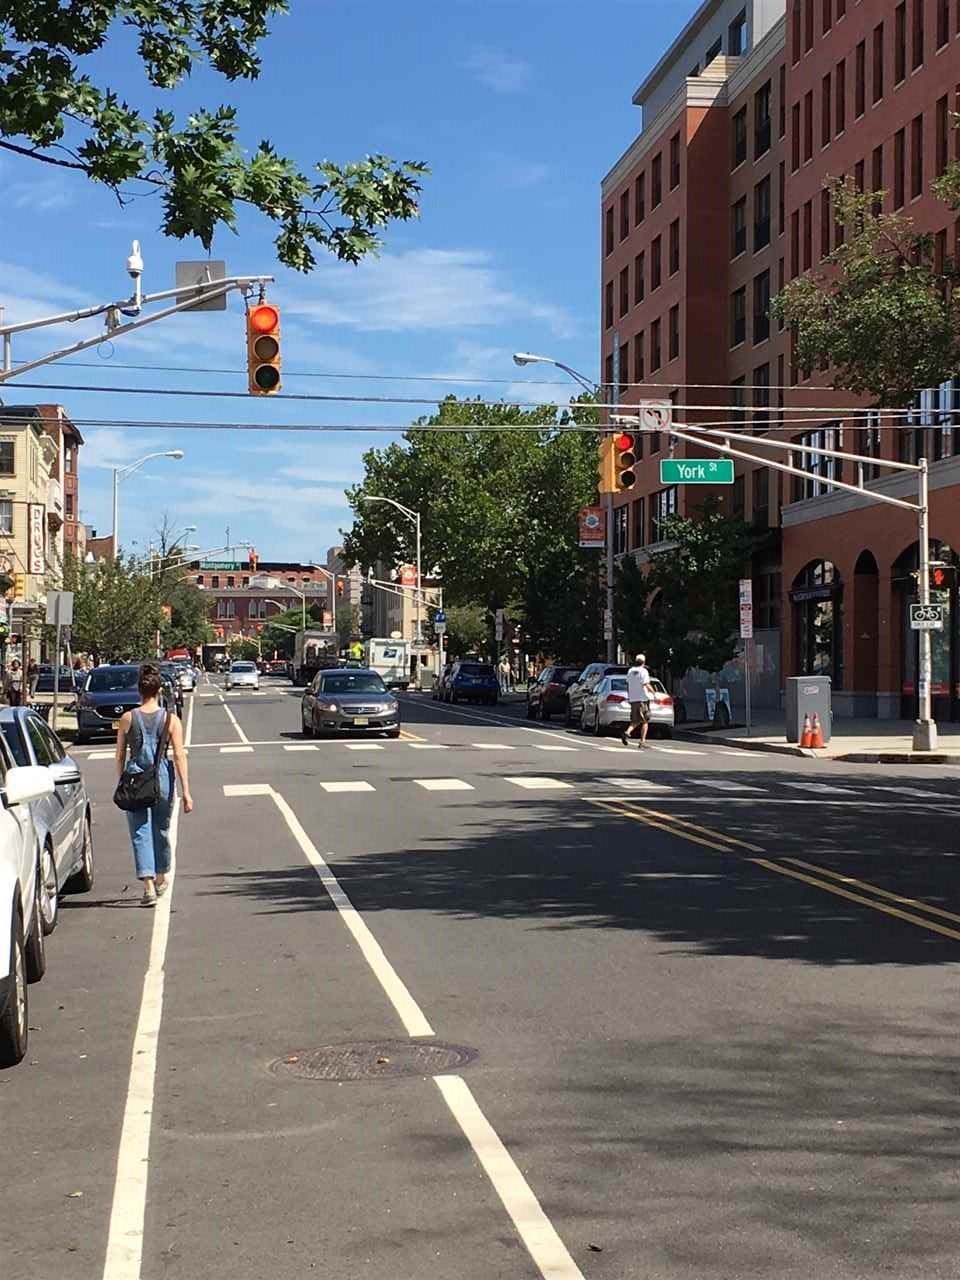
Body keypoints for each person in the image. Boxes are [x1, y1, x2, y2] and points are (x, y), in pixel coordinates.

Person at [115, 663, 193, 907]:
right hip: (162, 779)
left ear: (139, 691)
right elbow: (179, 755)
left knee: (140, 831)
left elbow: (120, 754)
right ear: (159, 691)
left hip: (135, 778)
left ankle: (147, 885)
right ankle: (160, 876)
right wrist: (186, 792)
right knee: (161, 828)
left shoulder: (127, 718)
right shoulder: (171, 720)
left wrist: (121, 780)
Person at [622, 652, 653, 748]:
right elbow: (646, 684)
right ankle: (642, 741)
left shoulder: (630, 671)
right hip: (642, 699)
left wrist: (629, 696)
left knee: (635, 720)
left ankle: (627, 732)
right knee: (645, 721)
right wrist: (653, 692)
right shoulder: (644, 671)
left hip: (633, 699)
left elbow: (628, 684)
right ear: (644, 662)